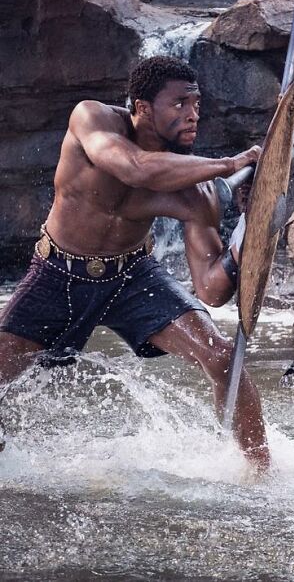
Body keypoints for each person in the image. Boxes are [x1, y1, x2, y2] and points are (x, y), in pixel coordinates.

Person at [0, 56, 270, 472]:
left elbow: (213, 290)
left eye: (197, 104)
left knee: (221, 357)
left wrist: (251, 231)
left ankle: (260, 473)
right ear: (142, 108)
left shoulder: (195, 192)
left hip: (133, 276)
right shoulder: (92, 118)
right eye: (180, 104)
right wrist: (231, 165)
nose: (193, 115)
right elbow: (134, 167)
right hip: (57, 274)